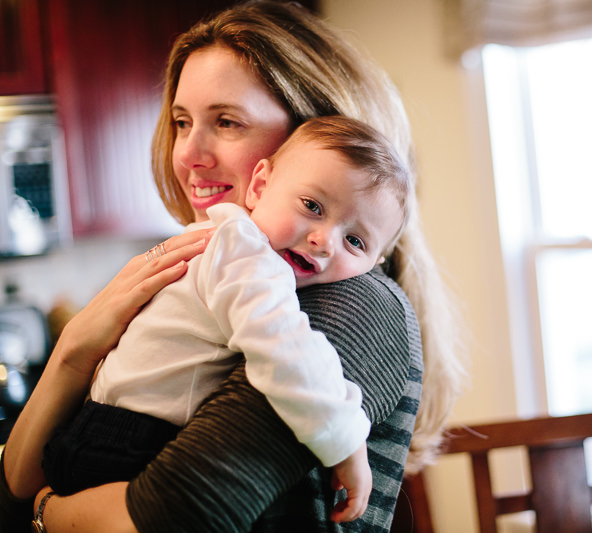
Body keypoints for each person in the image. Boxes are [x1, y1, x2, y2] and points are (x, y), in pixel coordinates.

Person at [0, 2, 465, 532]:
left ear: (316, 131)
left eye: (227, 121)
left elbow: (180, 514)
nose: (189, 154)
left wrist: (45, 514)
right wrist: (73, 350)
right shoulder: (212, 265)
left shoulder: (352, 303)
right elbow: (14, 480)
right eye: (181, 121)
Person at [40, 116, 411, 523]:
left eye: (354, 241)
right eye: (312, 206)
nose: (324, 240)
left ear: (374, 264)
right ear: (260, 186)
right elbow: (283, 348)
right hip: (124, 442)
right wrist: (344, 438)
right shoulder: (246, 253)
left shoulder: (238, 248)